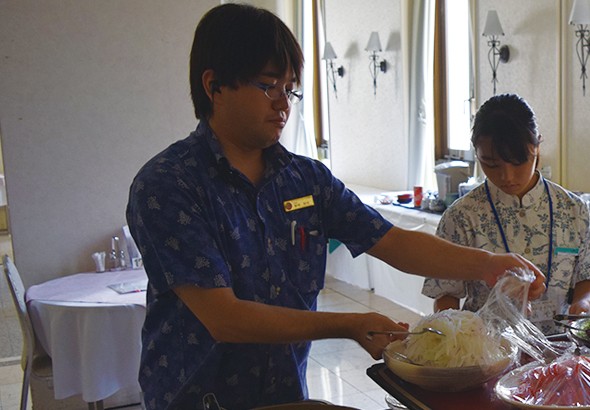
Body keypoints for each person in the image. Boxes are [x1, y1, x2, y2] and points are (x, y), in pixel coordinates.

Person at [125, 5, 545, 410]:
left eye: (290, 88)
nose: (283, 103)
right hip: (196, 397)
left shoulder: (306, 180)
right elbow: (224, 318)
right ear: (214, 85)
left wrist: (487, 264)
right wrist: (346, 324)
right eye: (268, 85)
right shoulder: (169, 185)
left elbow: (392, 241)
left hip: (283, 392)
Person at [422, 94, 590, 335]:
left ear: (537, 147)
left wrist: (582, 304)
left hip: (559, 343)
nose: (507, 176)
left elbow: (586, 277)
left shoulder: (573, 210)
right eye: (491, 164)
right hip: (488, 348)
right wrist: (457, 335)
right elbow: (445, 293)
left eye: (518, 161)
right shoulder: (462, 216)